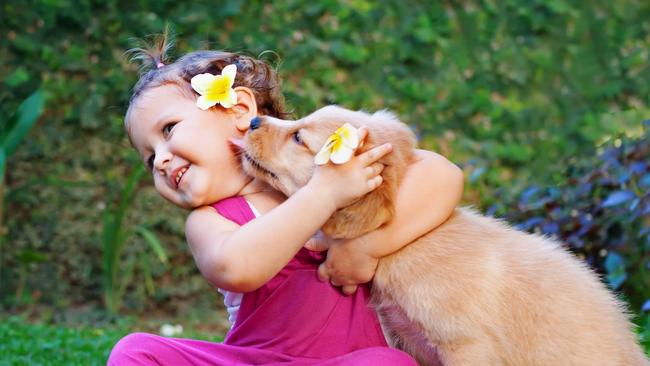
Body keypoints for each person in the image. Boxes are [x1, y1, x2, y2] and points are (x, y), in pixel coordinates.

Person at [107, 33, 463, 365]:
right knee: (136, 351)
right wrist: (322, 194)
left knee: (388, 363)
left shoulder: (325, 168)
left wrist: (364, 247)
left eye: (169, 130)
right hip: (256, 360)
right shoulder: (211, 221)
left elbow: (442, 173)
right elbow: (237, 267)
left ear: (239, 110)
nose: (162, 160)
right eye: (150, 159)